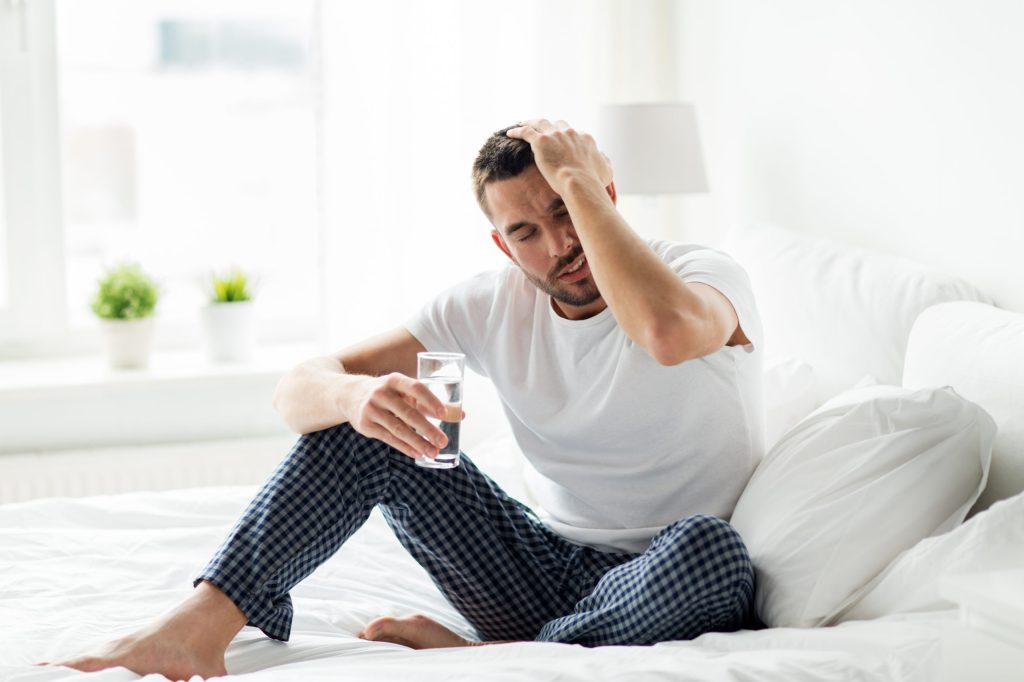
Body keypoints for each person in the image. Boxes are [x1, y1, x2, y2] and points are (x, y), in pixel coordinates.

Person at [53, 119, 764, 679]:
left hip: (671, 582)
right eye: (526, 232)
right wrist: (355, 394)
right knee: (365, 423)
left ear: (605, 196)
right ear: (503, 246)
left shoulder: (699, 273)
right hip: (540, 567)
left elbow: (666, 333)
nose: (557, 245)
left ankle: (495, 658)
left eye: (566, 209)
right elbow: (296, 390)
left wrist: (577, 175)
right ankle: (202, 622)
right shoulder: (488, 306)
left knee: (714, 550)